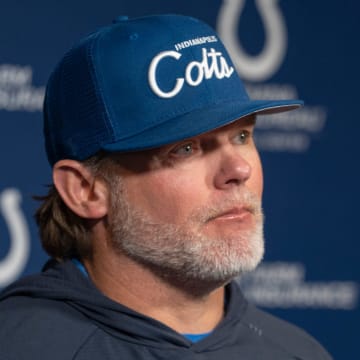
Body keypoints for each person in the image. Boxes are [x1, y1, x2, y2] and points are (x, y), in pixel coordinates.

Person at [0, 14, 332, 359]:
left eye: (242, 135)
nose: (239, 169)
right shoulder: (19, 347)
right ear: (85, 190)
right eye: (185, 148)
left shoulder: (298, 351)